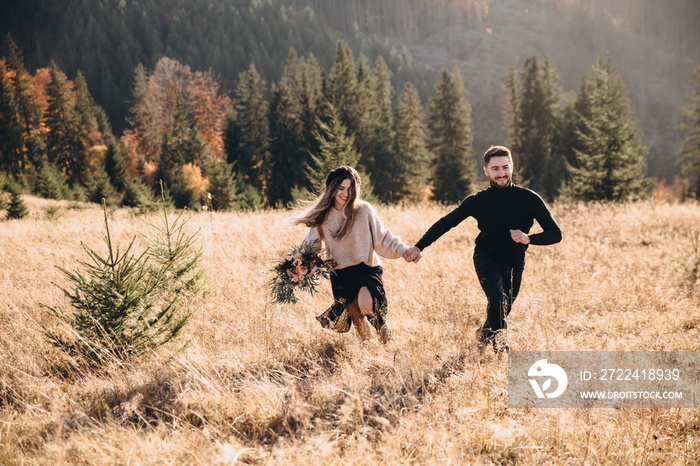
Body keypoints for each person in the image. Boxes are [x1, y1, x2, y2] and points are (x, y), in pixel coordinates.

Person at [403, 145, 562, 351]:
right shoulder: (477, 201)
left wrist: (528, 238)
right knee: (497, 301)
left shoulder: (529, 199)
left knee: (502, 309)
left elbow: (555, 234)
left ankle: (485, 334)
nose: (501, 173)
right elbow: (446, 223)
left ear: (512, 167)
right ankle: (501, 350)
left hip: (515, 262)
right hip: (486, 258)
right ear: (486, 171)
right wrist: (419, 246)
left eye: (505, 167)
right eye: (495, 169)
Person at [293, 166, 410, 343]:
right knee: (356, 315)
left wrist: (403, 250)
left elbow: (383, 237)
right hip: (340, 273)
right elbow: (311, 246)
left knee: (366, 306)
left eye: (350, 188)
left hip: (366, 268)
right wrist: (299, 265)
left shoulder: (364, 209)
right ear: (331, 189)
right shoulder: (323, 216)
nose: (346, 193)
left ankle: (386, 338)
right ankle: (370, 352)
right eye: (341, 188)